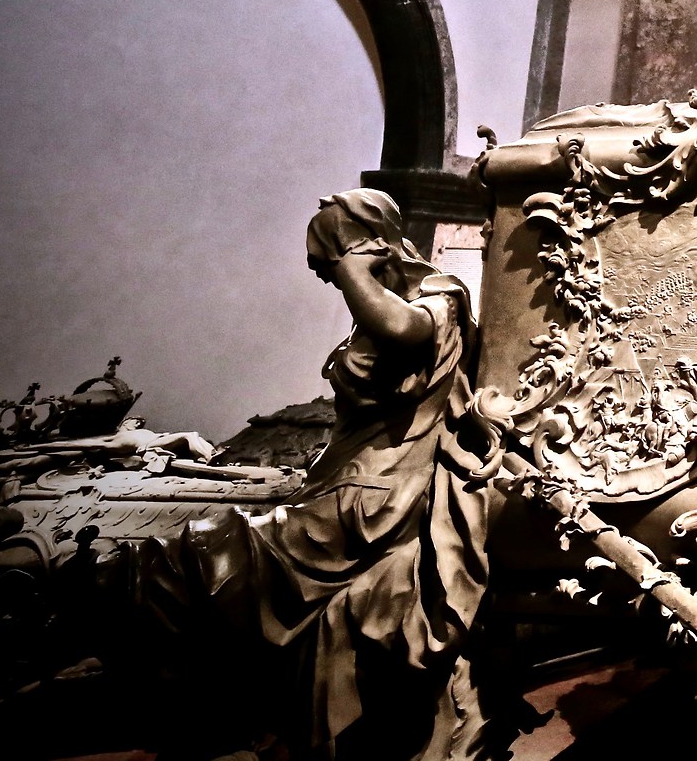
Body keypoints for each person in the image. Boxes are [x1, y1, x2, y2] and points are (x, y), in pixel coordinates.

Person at [137, 189, 494, 760]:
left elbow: (403, 330)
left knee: (218, 558)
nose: (331, 282)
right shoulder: (375, 315)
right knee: (196, 560)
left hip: (384, 494)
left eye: (330, 262)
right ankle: (241, 714)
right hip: (340, 480)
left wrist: (350, 270)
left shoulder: (438, 294)